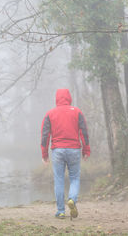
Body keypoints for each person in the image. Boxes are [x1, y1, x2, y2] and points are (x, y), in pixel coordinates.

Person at [40, 88, 91, 219]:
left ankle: (61, 211)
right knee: (74, 178)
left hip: (57, 150)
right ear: (69, 97)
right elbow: (83, 132)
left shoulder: (50, 114)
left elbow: (45, 135)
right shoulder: (77, 112)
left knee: (59, 180)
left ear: (56, 98)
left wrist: (44, 154)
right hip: (74, 149)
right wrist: (86, 150)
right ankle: (72, 200)